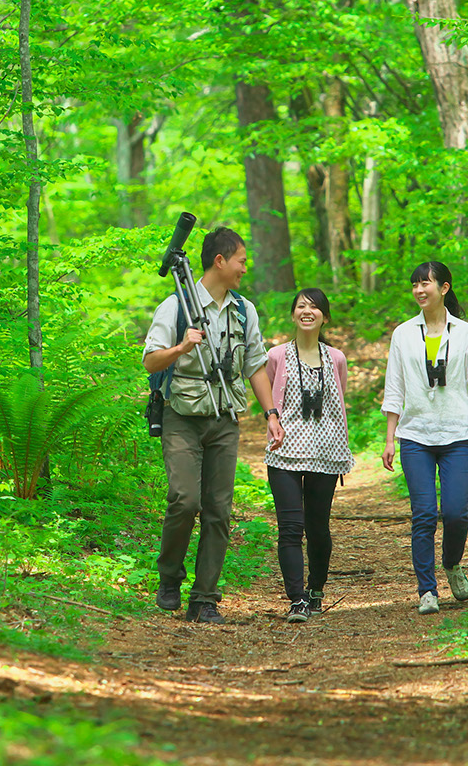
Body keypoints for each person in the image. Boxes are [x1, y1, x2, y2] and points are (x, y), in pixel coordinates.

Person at [143, 227, 284, 624]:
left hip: (224, 419)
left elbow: (254, 365)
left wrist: (271, 414)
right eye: (241, 260)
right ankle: (170, 576)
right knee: (184, 500)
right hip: (182, 418)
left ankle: (204, 598)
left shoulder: (244, 310)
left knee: (219, 510)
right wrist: (181, 348)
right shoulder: (175, 306)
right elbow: (151, 361)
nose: (245, 268)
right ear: (220, 261)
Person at [380, 261, 468, 615]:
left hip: (458, 434)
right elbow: (394, 387)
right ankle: (426, 591)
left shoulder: (465, 333)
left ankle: (452, 562)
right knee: (425, 514)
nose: (419, 290)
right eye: (414, 284)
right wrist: (389, 438)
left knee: (456, 513)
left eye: (425, 283)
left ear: (443, 288)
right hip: (415, 435)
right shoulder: (403, 334)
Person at [264, 288, 352, 624]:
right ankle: (296, 599)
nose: (307, 311)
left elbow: (339, 402)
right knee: (290, 527)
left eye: (314, 307)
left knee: (318, 527)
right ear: (292, 314)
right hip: (283, 452)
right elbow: (269, 397)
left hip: (326, 453)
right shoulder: (276, 356)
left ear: (325, 318)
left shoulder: (337, 358)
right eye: (301, 306)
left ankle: (316, 588)